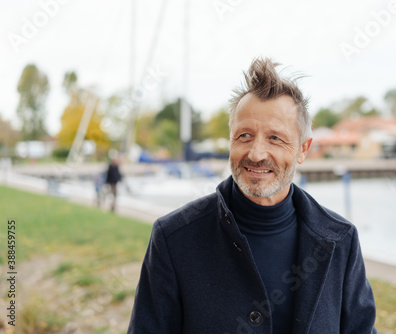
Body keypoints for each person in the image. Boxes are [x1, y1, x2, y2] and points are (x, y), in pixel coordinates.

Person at [127, 57, 377, 333]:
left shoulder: (341, 240)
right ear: (230, 139)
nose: (256, 154)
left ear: (303, 149)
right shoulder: (174, 238)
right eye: (244, 135)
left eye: (275, 138)